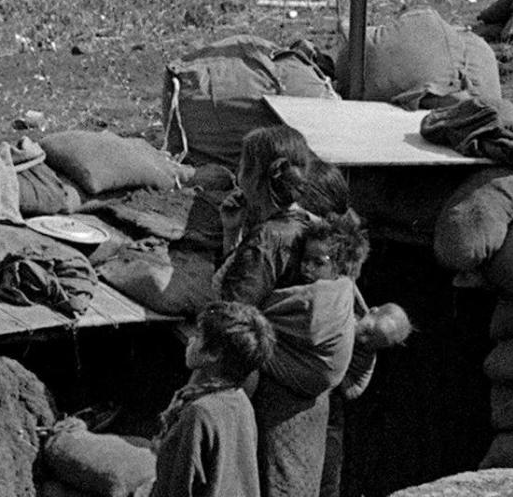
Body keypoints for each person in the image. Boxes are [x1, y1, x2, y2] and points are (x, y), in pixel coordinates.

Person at [251, 215, 365, 497]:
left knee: (282, 480)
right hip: (307, 407)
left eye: (319, 262)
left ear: (340, 267)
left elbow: (257, 312)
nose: (307, 268)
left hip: (292, 408)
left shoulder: (323, 299)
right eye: (305, 259)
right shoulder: (341, 293)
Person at [215, 125, 350, 305]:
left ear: (255, 177)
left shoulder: (266, 239)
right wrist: (232, 231)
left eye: (242, 165)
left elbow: (233, 310)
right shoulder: (313, 225)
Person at [150, 302, 271, 497]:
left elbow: (176, 487)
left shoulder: (199, 413)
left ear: (214, 353)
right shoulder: (240, 400)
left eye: (198, 336)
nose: (190, 340)